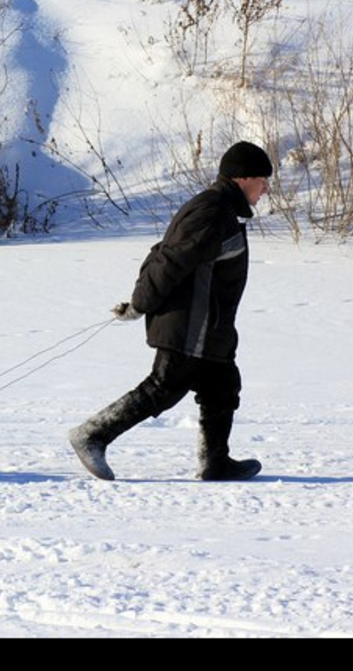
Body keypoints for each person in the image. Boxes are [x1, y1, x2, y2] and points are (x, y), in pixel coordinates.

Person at [68, 141, 273, 482]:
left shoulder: (223, 211)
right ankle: (92, 435)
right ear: (242, 178)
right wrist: (140, 304)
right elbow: (169, 259)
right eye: (263, 179)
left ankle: (215, 462)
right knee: (164, 387)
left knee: (222, 386)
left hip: (211, 327)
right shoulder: (212, 211)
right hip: (190, 324)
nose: (267, 187)